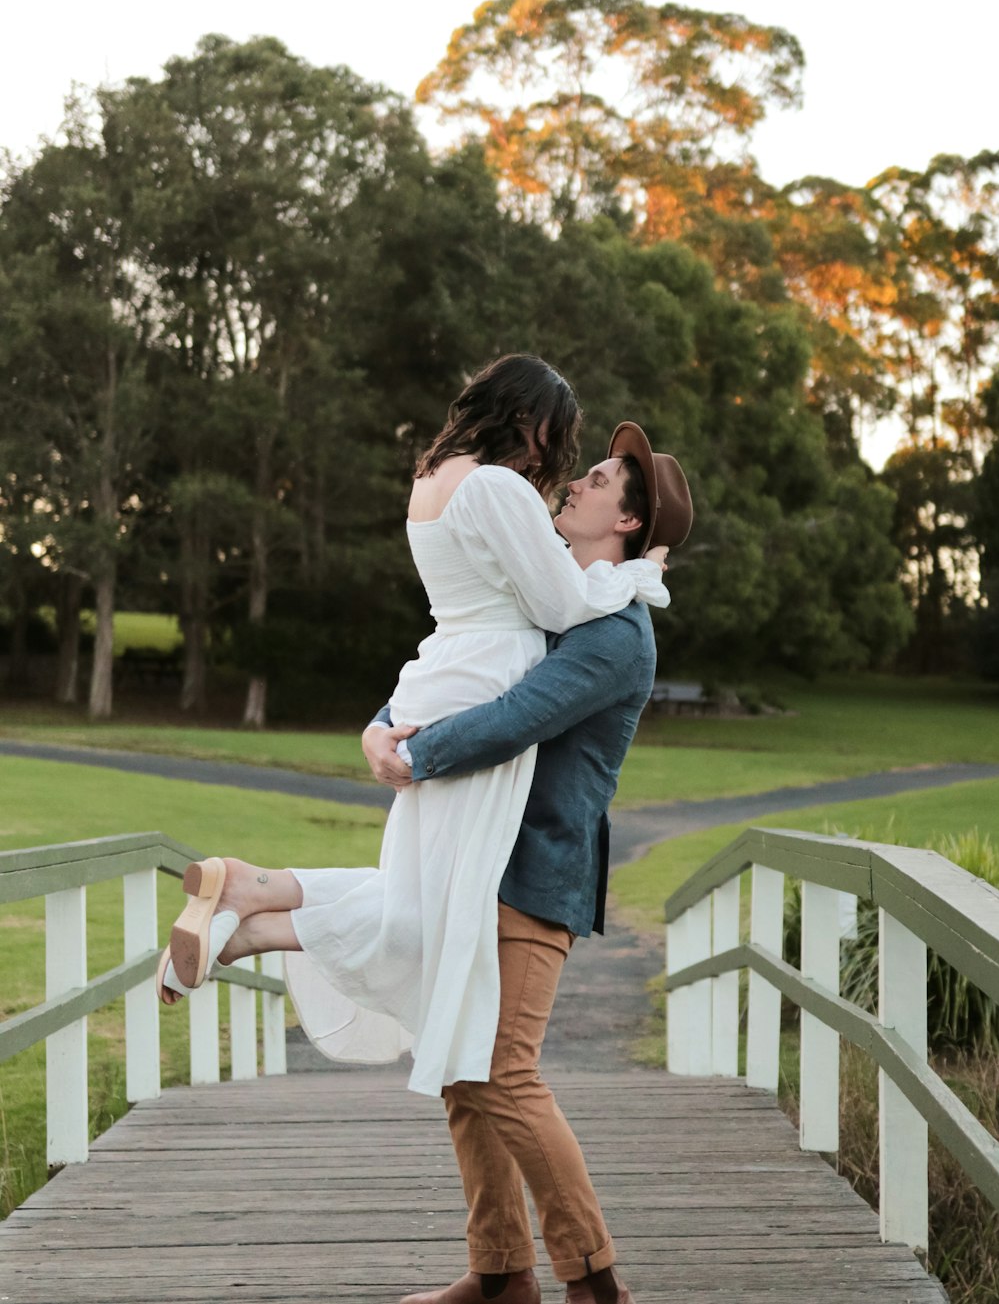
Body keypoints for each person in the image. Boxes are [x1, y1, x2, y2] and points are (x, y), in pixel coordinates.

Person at [156, 356, 669, 1108]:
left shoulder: (430, 482)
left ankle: (252, 904)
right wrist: (641, 571)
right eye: (559, 440)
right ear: (532, 420)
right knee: (426, 912)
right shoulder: (498, 487)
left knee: (414, 898)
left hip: (438, 677)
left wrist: (388, 723)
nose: (558, 464)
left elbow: (488, 602)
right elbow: (560, 607)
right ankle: (253, 901)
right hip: (478, 691)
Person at [355, 418, 694, 1304]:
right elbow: (459, 656)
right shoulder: (555, 599)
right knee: (463, 1073)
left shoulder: (615, 631)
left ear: (627, 523)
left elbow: (515, 715)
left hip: (537, 871)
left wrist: (414, 753)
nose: (572, 484)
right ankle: (501, 1272)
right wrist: (383, 723)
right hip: (479, 857)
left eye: (594, 480)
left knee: (502, 1069)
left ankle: (595, 1277)